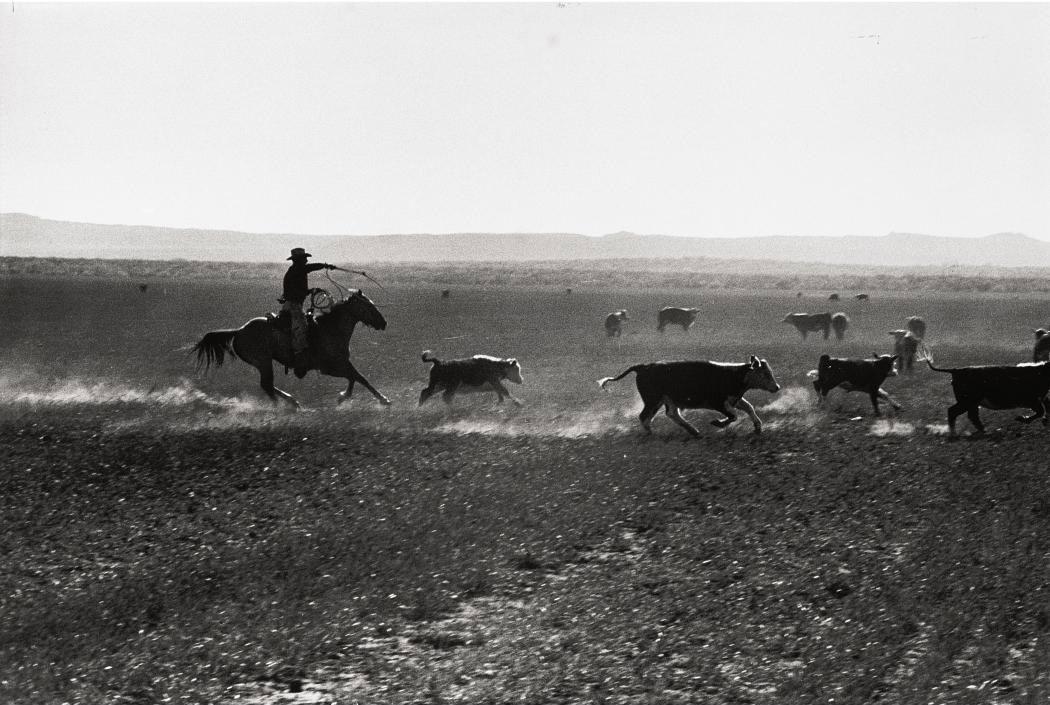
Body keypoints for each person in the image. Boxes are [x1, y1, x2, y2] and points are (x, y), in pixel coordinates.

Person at [280, 247, 337, 377]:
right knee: (302, 327)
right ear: (299, 260)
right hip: (293, 305)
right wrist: (325, 265)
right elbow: (310, 268)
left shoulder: (296, 271)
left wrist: (310, 291)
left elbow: (298, 289)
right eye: (304, 258)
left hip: (295, 304)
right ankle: (299, 355)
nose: (306, 260)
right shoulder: (298, 269)